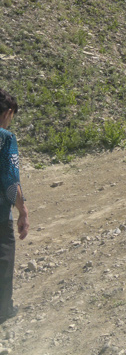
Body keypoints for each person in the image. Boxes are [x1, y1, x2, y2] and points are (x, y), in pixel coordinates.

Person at [0, 89, 29, 324]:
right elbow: (11, 181)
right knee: (4, 258)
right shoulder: (5, 139)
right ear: (8, 113)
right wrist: (22, 211)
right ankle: (4, 309)